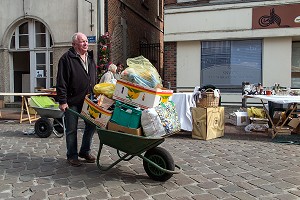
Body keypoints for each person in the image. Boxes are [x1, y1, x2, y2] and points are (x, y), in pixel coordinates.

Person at [56, 32, 97, 167]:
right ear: (74, 44)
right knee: (71, 129)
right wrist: (62, 101)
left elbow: (93, 77)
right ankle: (72, 156)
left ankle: (84, 151)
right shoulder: (66, 59)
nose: (86, 43)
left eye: (86, 41)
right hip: (72, 100)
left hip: (88, 99)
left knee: (91, 125)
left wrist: (95, 92)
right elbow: (61, 81)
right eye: (82, 41)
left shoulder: (90, 57)